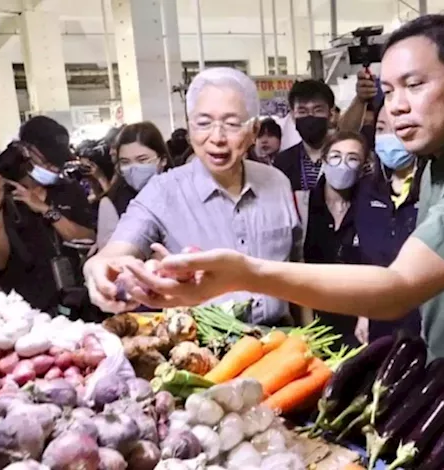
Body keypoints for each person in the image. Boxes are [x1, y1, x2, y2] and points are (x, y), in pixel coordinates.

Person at [121, 15, 444, 438]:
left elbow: (398, 287)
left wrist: (244, 273)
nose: (397, 107)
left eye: (415, 85)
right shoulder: (441, 158)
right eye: (388, 91)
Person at [83, 67, 303, 326]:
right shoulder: (162, 191)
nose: (217, 138)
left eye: (232, 124)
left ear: (254, 130)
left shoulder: (276, 183)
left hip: (282, 340)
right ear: (189, 128)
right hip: (201, 348)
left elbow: (296, 267)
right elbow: (115, 251)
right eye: (204, 123)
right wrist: (98, 270)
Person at [0, 116, 95, 312]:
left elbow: (89, 238)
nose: (54, 169)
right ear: (24, 152)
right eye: (47, 162)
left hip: (75, 301)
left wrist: (46, 210)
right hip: (21, 311)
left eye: (59, 163)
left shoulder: (69, 190)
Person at [355, 103, 424, 342]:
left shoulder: (434, 188)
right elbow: (367, 261)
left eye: (396, 129)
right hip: (380, 314)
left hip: (424, 316)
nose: (387, 137)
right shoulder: (368, 190)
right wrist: (364, 312)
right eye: (381, 128)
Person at [304, 130, 368, 346]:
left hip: (357, 323)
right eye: (335, 156)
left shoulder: (371, 209)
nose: (342, 164)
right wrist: (306, 326)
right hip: (311, 320)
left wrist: (366, 314)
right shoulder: (303, 205)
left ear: (362, 168)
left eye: (352, 159)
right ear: (324, 160)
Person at [96, 122, 173, 250]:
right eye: (125, 162)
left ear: (162, 160)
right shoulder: (112, 202)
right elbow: (110, 255)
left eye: (142, 160)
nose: (133, 168)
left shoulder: (183, 193)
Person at [273, 79, 336, 192]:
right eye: (302, 111)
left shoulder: (344, 158)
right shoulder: (282, 162)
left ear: (330, 114)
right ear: (293, 116)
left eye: (318, 110)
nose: (310, 116)